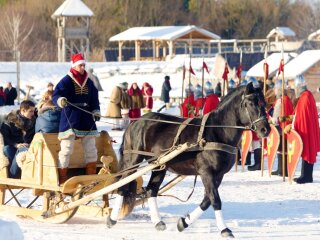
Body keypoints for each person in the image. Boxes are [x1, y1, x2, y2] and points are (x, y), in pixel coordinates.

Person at [52, 53, 101, 184]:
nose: (83, 67)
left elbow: (94, 98)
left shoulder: (89, 82)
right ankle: (62, 178)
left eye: (84, 65)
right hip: (70, 116)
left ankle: (90, 177)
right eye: (80, 65)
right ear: (74, 66)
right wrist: (60, 100)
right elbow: (56, 94)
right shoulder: (66, 80)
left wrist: (96, 111)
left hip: (86, 117)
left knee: (91, 148)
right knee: (66, 148)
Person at [283, 75, 320, 184]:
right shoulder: (306, 95)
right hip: (306, 128)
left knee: (308, 149)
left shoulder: (306, 97)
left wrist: (292, 126)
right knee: (306, 150)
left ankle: (307, 176)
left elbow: (301, 116)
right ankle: (305, 175)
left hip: (306, 129)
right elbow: (299, 114)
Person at [0, 100, 36, 178]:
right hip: (12, 147)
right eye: (31, 111)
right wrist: (16, 145)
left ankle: (24, 173)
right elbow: (5, 138)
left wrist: (31, 144)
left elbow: (34, 136)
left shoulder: (33, 120)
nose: (33, 114)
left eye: (34, 111)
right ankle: (13, 175)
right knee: (7, 148)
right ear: (23, 110)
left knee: (30, 149)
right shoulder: (8, 121)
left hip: (27, 147)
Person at [270, 80, 294, 176]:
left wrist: (273, 120)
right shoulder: (282, 99)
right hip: (281, 126)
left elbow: (281, 116)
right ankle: (280, 169)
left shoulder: (283, 100)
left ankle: (284, 170)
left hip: (283, 127)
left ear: (279, 89)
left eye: (276, 88)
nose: (274, 90)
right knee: (280, 148)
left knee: (283, 149)